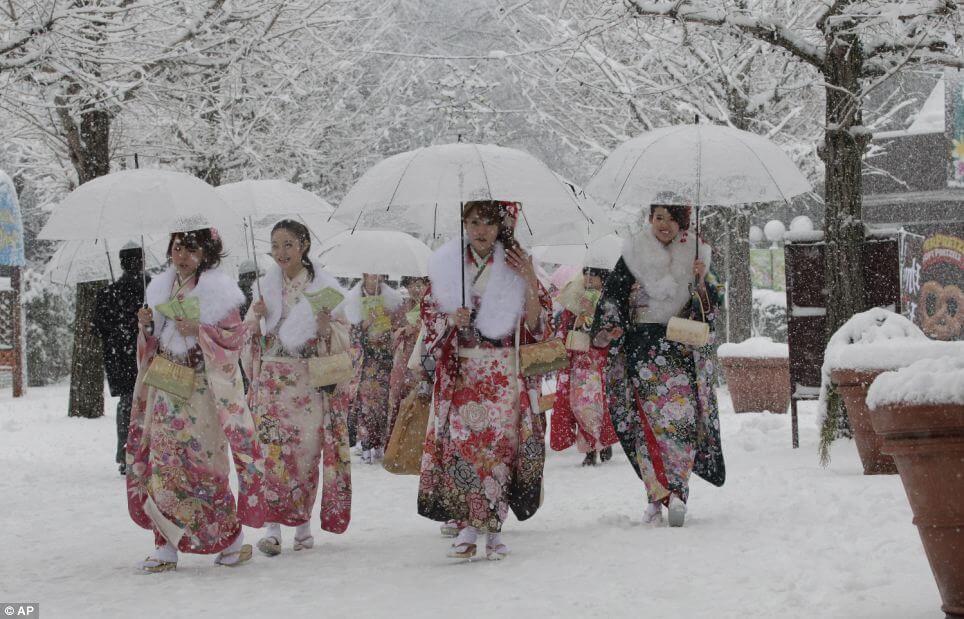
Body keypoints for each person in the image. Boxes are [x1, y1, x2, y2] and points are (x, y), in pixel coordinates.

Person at [418, 200, 551, 561]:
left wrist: (529, 280)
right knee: (463, 447)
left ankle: (493, 529)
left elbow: (538, 325)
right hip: (464, 371)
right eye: (474, 222)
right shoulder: (448, 265)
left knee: (498, 452)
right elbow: (429, 317)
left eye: (489, 224)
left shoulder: (515, 263)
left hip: (504, 372)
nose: (480, 231)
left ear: (500, 227)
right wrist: (451, 320)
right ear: (464, 223)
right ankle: (466, 525)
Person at [128, 228, 265, 572]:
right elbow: (152, 346)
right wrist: (146, 328)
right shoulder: (161, 288)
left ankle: (231, 539)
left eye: (191, 249)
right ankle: (166, 547)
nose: (183, 256)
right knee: (164, 466)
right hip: (167, 387)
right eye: (177, 248)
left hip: (203, 390)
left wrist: (200, 331)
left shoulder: (218, 291)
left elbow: (233, 341)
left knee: (205, 466)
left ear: (207, 253)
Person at [591, 199, 725, 527]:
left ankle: (677, 493)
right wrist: (612, 324)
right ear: (650, 218)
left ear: (683, 223)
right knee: (644, 425)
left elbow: (712, 309)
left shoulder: (698, 254)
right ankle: (654, 496)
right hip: (642, 349)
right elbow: (613, 298)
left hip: (680, 351)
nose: (664, 224)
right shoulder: (633, 254)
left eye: (671, 219)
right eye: (658, 217)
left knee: (681, 424)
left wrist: (702, 282)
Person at [243, 219, 353, 556]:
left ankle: (302, 527)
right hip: (272, 384)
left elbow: (345, 338)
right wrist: (256, 321)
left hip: (307, 384)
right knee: (271, 455)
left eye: (288, 244)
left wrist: (323, 329)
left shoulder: (323, 288)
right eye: (275, 245)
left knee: (305, 455)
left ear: (303, 245)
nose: (281, 252)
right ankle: (273, 530)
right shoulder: (264, 289)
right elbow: (249, 341)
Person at [550, 267, 619, 467]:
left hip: (598, 360)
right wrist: (576, 320)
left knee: (597, 403)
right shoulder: (575, 295)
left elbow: (609, 333)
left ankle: (601, 442)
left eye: (593, 275)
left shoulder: (609, 300)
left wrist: (594, 316)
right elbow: (563, 328)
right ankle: (590, 447)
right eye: (586, 273)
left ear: (602, 277)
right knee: (580, 404)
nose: (588, 278)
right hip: (578, 359)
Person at [93, 243, 149, 475]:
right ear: (143, 260)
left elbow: (98, 328)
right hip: (147, 356)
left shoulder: (108, 294)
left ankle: (126, 452)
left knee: (127, 405)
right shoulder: (153, 289)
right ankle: (150, 451)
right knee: (151, 404)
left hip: (121, 361)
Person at [342, 272, 402, 464]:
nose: (374, 276)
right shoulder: (353, 299)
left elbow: (398, 327)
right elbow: (349, 334)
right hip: (366, 359)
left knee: (383, 404)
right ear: (364, 274)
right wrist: (366, 323)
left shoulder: (392, 299)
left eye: (378, 273)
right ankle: (366, 443)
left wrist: (390, 326)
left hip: (385, 358)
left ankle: (379, 444)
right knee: (366, 404)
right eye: (370, 272)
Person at [387, 275, 429, 438]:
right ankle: (395, 440)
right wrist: (405, 330)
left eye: (418, 285)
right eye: (411, 285)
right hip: (405, 355)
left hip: (422, 356)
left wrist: (421, 327)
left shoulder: (430, 305)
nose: (415, 289)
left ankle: (413, 439)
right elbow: (392, 333)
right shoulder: (402, 306)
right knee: (398, 396)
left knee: (418, 398)